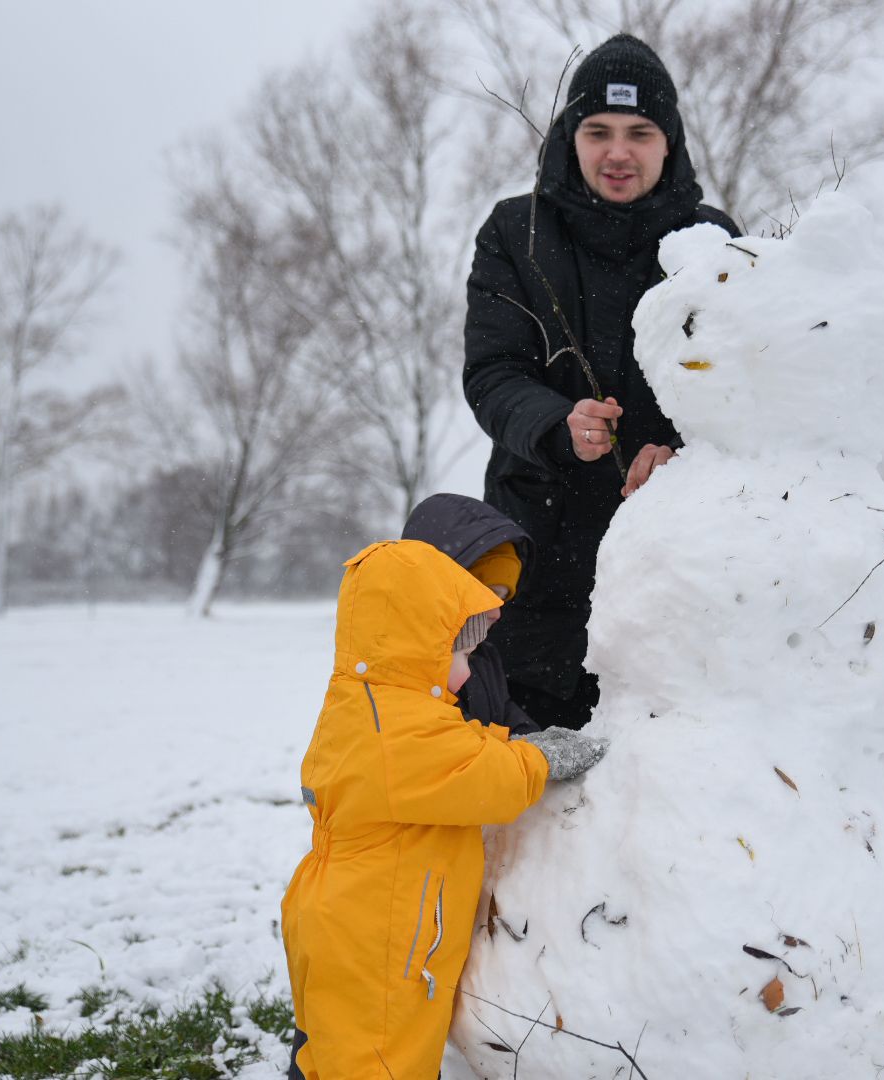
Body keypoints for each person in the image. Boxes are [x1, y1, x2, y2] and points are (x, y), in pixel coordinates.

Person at [464, 33, 740, 730]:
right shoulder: (515, 231)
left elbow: (737, 390)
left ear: (669, 142)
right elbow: (493, 372)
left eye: (639, 132)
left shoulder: (711, 242)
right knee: (530, 774)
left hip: (666, 550)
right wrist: (558, 424)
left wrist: (681, 454)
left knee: (658, 760)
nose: (619, 152)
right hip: (532, 549)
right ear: (571, 136)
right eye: (599, 131)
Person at [281, 540, 606, 1079]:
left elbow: (458, 748)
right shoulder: (397, 731)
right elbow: (484, 777)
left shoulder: (377, 706)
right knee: (381, 1062)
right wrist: (538, 757)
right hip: (378, 935)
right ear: (411, 648)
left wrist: (506, 739)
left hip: (353, 915)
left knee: (339, 1054)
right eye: (456, 656)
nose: (464, 675)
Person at [401, 492, 541, 735]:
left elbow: (504, 712)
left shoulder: (483, 655)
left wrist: (533, 738)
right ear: (441, 589)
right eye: (487, 594)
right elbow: (456, 746)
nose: (497, 613)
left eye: (503, 598)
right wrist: (525, 756)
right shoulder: (408, 668)